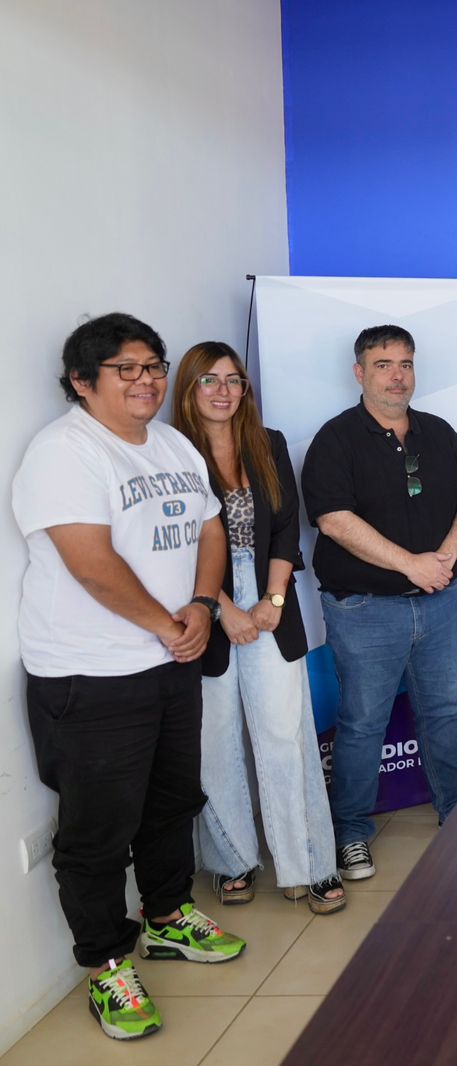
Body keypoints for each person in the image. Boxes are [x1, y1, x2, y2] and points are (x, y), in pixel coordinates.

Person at [13, 314, 245, 1042]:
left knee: (171, 802)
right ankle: (107, 964)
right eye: (127, 369)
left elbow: (209, 528)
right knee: (97, 831)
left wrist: (202, 605)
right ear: (82, 382)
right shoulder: (64, 453)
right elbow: (91, 563)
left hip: (169, 663)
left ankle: (168, 916)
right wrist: (166, 625)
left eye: (154, 366)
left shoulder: (173, 443)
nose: (147, 380)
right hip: (91, 675)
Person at [301, 324, 457, 882]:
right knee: (362, 723)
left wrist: (445, 557)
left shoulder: (438, 431)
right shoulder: (335, 439)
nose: (397, 375)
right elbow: (333, 520)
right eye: (383, 365)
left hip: (439, 601)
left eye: (405, 363)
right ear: (359, 372)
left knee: (444, 711)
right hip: (365, 609)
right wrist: (411, 564)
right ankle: (351, 833)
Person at [170, 342, 344, 914]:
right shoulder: (169, 451)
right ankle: (233, 861)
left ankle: (308, 863)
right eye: (209, 380)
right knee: (216, 740)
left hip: (271, 591)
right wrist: (224, 608)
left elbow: (287, 527)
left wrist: (272, 599)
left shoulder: (267, 443)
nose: (223, 391)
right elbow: (174, 547)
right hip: (202, 598)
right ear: (189, 389)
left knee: (284, 733)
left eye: (233, 380)